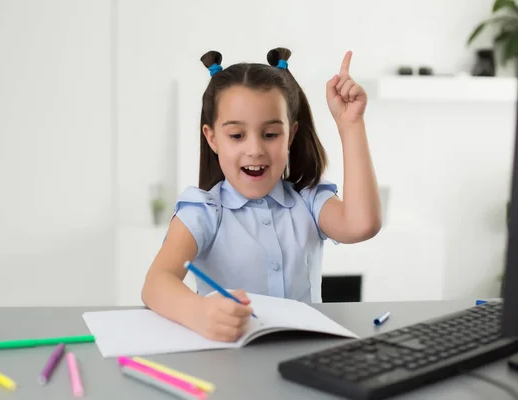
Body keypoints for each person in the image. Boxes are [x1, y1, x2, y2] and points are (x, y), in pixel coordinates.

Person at [141, 47, 381, 342]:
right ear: (212, 138)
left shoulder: (308, 200)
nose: (254, 149)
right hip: (229, 364)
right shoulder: (203, 212)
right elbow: (155, 284)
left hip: (305, 356)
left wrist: (351, 124)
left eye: (270, 134)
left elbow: (362, 224)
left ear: (290, 135)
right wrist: (199, 313)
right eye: (237, 135)